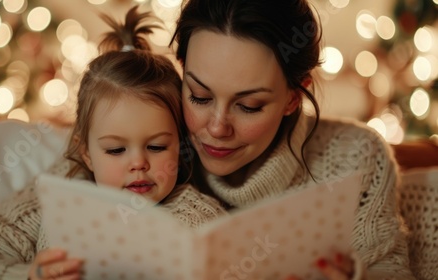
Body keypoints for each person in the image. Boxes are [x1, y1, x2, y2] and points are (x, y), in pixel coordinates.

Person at [0, 6, 226, 280]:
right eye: (116, 150)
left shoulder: (197, 219)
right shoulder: (52, 198)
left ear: (179, 145)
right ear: (86, 152)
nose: (139, 163)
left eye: (156, 147)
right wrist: (27, 275)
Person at [170, 0, 415, 279]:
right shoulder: (144, 151)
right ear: (182, 68)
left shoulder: (357, 157)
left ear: (292, 98)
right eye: (199, 97)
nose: (216, 128)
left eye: (249, 105)